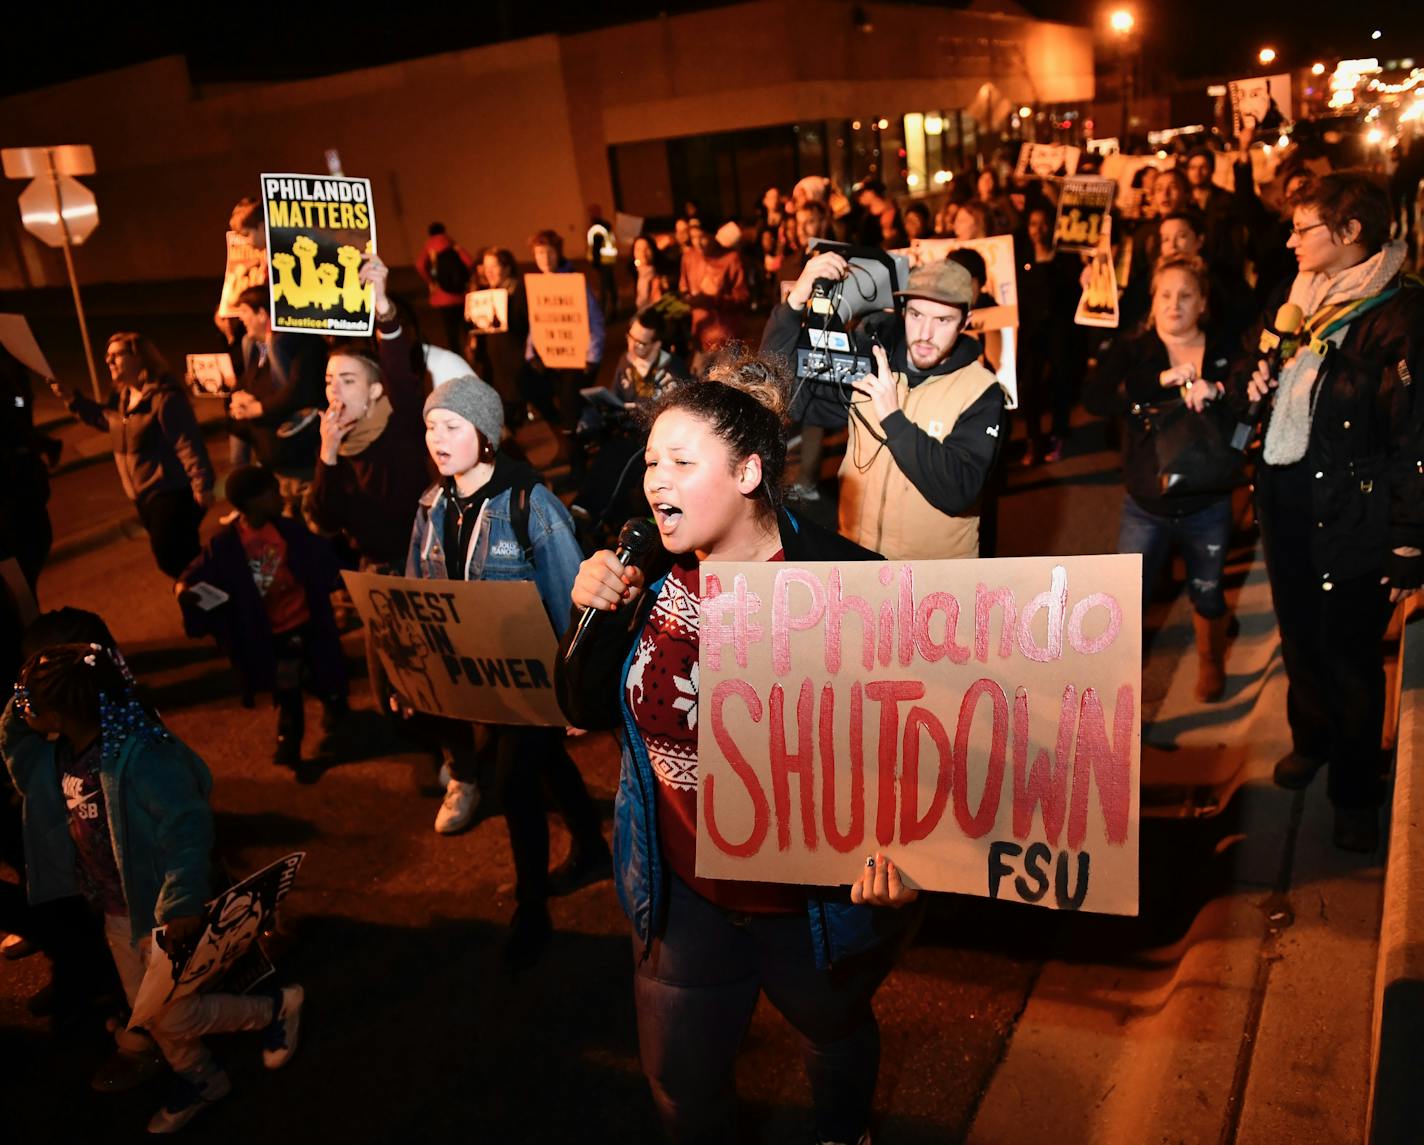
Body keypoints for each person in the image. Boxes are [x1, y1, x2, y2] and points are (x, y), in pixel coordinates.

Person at [556, 348, 922, 1145]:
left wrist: (912, 860)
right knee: (681, 1087)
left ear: (750, 472)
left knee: (836, 1034)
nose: (656, 480)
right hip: (687, 894)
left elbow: (904, 745)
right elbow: (583, 705)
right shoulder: (644, 572)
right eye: (652, 461)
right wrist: (592, 614)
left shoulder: (849, 580)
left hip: (811, 905)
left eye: (682, 462)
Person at [3, 643, 305, 1134]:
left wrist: (183, 900)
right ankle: (201, 1078)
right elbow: (16, 745)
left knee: (170, 1018)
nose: (21, 709)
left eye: (27, 702)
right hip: (116, 911)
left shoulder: (142, 755)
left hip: (159, 911)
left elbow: (186, 826)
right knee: (150, 1010)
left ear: (62, 713)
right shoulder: (58, 748)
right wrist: (25, 694)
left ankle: (273, 1007)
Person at [1242, 171, 1424, 852]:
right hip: (1289, 496)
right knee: (1300, 636)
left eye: (1303, 227)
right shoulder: (1296, 295)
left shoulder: (1401, 314)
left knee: (1350, 654)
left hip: (1356, 510)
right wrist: (1254, 378)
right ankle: (1310, 739)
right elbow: (1251, 358)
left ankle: (1355, 792)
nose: (1290, 239)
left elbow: (1414, 435)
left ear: (1349, 234)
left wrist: (1408, 539)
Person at [407, 376, 608, 964]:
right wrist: (414, 672)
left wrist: (572, 695)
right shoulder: (430, 506)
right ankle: (592, 847)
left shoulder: (529, 505)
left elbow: (575, 602)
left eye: (451, 426)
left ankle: (531, 908)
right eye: (429, 427)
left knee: (514, 785)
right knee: (543, 767)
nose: (436, 440)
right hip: (479, 684)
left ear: (485, 435)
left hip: (533, 683)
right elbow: (419, 594)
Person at [764, 254, 1006, 559]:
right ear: (903, 313)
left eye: (942, 320)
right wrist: (795, 303)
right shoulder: (872, 370)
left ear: (965, 323)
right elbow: (781, 389)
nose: (925, 334)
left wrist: (893, 418)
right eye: (917, 315)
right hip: (859, 562)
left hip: (932, 580)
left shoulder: (981, 391)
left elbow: (958, 490)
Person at [1085, 256, 1242, 702]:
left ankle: (1212, 663)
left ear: (1203, 302)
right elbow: (1095, 399)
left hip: (1207, 502)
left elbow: (1251, 399)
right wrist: (1158, 381)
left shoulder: (1226, 348)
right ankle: (1121, 688)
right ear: (1152, 302)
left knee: (1208, 593)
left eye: (1186, 295)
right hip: (1146, 505)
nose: (1175, 304)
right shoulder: (1134, 349)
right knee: (1127, 601)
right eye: (1165, 294)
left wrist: (1220, 390)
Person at [178, 465, 350, 767]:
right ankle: (290, 737)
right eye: (271, 492)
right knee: (287, 684)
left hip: (305, 619)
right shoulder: (227, 544)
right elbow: (193, 576)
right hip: (274, 629)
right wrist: (183, 590)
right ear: (252, 502)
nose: (278, 496)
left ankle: (332, 705)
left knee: (321, 670)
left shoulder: (288, 530)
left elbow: (323, 558)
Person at [50, 334, 214, 581]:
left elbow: (187, 443)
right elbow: (107, 420)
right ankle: (213, 604)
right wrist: (72, 400)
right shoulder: (123, 399)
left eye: (116, 354)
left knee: (173, 559)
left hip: (171, 493)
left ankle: (217, 600)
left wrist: (202, 485)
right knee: (184, 560)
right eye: (108, 355)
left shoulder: (164, 398)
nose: (108, 360)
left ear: (139, 358)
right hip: (143, 497)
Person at [572, 307, 689, 534]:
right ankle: (582, 510)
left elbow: (685, 416)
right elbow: (617, 397)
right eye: (631, 338)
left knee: (622, 461)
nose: (633, 347)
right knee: (607, 455)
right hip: (626, 432)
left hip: (654, 442)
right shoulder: (626, 362)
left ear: (657, 344)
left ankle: (594, 518)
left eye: (642, 343)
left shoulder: (674, 369)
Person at [229, 286, 329, 519]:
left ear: (263, 314)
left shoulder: (303, 346)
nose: (240, 318)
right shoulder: (257, 349)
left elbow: (297, 392)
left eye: (245, 311)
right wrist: (240, 398)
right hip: (274, 468)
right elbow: (248, 381)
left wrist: (259, 408)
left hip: (300, 466)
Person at [1016, 204, 1085, 465]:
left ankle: (1058, 435)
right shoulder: (1022, 256)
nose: (1038, 230)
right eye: (1033, 224)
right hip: (1031, 332)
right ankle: (1033, 440)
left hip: (1060, 330)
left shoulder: (1065, 257)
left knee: (1060, 385)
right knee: (1030, 387)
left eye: (1043, 223)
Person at [524, 230, 606, 447]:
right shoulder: (538, 284)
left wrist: (592, 357)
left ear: (557, 253)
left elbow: (595, 320)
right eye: (539, 253)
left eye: (549, 252)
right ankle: (579, 434)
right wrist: (531, 353)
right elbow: (538, 320)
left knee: (571, 409)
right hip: (550, 358)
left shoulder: (574, 282)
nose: (545, 258)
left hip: (576, 359)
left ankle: (577, 459)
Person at [678, 220, 750, 366]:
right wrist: (688, 300)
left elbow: (742, 298)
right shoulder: (689, 258)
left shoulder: (730, 258)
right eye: (693, 237)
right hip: (701, 336)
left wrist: (713, 300)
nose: (698, 242)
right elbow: (683, 289)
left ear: (713, 235)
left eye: (702, 237)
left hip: (726, 337)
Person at [474, 246, 531, 426]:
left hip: (515, 363)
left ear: (507, 268)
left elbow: (525, 325)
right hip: (495, 363)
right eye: (485, 267)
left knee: (508, 414)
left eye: (494, 266)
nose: (488, 272)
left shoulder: (519, 291)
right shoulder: (485, 293)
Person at [418, 222, 475, 358]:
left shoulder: (429, 247)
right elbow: (469, 262)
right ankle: (473, 352)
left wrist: (431, 282)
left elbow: (420, 265)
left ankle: (456, 357)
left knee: (450, 330)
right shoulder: (451, 244)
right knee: (466, 327)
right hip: (460, 295)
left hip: (442, 297)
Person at [854, 178, 907, 248]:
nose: (860, 197)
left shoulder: (891, 212)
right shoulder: (865, 214)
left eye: (863, 193)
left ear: (872, 193)